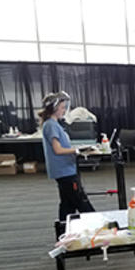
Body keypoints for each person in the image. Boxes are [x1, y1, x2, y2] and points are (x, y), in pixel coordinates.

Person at [39, 91, 95, 221]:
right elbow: (57, 150)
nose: (64, 111)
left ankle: (63, 230)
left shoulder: (53, 124)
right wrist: (76, 150)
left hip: (64, 170)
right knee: (81, 201)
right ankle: (98, 225)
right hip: (64, 171)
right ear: (54, 108)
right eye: (62, 108)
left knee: (67, 204)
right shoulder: (51, 125)